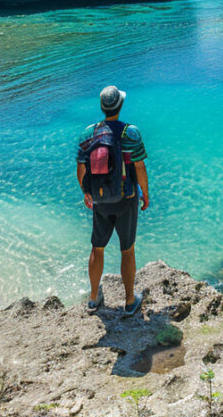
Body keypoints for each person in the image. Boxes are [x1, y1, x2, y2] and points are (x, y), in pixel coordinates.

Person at [76, 85, 149, 316]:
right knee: (127, 249)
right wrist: (145, 194)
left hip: (100, 200)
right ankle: (129, 301)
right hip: (126, 199)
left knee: (97, 248)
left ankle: (94, 298)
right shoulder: (131, 133)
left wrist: (87, 193)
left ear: (102, 106)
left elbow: (81, 168)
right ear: (120, 105)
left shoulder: (88, 134)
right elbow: (139, 166)